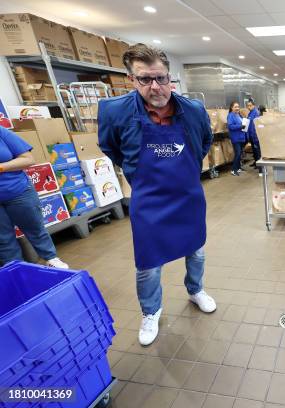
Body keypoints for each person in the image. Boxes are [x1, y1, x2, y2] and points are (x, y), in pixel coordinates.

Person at [98, 43, 216, 347]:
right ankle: (151, 312)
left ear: (169, 77)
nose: (155, 86)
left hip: (188, 196)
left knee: (197, 250)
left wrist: (184, 169)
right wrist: (137, 170)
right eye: (145, 79)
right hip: (148, 201)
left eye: (161, 78)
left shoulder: (193, 110)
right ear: (132, 79)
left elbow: (204, 142)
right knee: (148, 264)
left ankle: (196, 290)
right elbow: (110, 146)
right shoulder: (115, 111)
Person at [0, 127, 68, 269]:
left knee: (35, 229)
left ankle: (51, 258)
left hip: (18, 191)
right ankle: (16, 271)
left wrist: (1, 167)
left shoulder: (1, 132)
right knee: (3, 240)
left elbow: (28, 159)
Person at [227, 101, 247, 176]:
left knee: (240, 153)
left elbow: (243, 124)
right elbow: (230, 126)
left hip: (241, 137)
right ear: (232, 108)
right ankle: (233, 169)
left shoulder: (239, 115)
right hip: (235, 138)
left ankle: (238, 168)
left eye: (238, 106)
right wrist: (240, 126)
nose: (237, 108)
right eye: (235, 107)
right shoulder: (230, 115)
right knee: (238, 153)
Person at [246, 100, 262, 175]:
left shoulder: (256, 113)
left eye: (250, 105)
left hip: (255, 136)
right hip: (251, 136)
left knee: (258, 153)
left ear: (253, 105)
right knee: (255, 152)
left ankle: (261, 170)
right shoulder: (250, 113)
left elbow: (256, 126)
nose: (249, 107)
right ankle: (256, 164)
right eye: (248, 106)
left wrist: (255, 137)